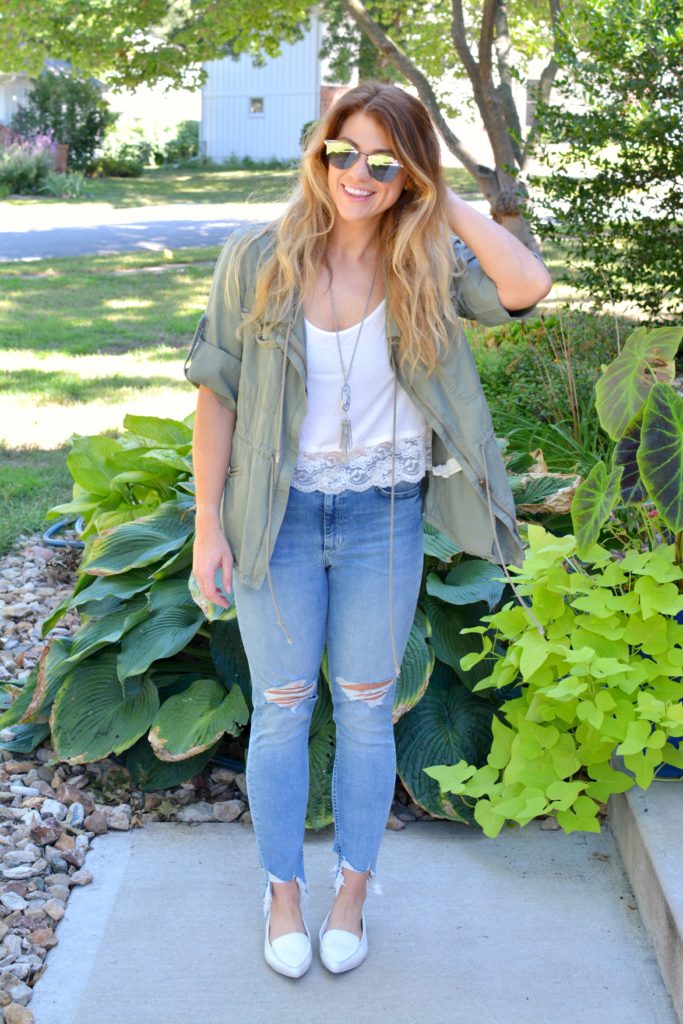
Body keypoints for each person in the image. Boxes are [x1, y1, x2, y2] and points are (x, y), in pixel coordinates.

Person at [185, 80, 552, 979]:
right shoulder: (258, 258)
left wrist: (444, 193)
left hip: (383, 515)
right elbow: (215, 395)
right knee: (279, 714)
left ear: (407, 174)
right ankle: (282, 892)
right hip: (276, 513)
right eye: (341, 152)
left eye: (383, 162)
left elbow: (526, 284)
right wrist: (207, 526)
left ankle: (351, 888)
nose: (357, 173)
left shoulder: (422, 262)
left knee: (361, 708)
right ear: (317, 155)